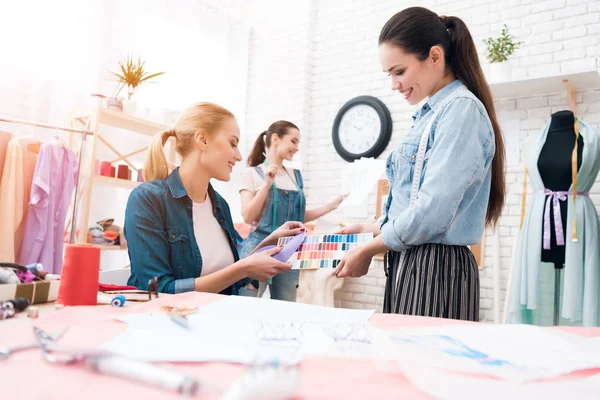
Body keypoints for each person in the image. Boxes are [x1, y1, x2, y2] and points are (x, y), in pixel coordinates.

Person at [333, 7, 506, 322]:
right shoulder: (432, 115)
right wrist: (372, 230)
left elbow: (433, 211)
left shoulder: (461, 111)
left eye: (399, 72)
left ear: (435, 57)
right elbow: (415, 206)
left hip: (436, 269)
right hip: (415, 263)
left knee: (425, 366)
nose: (394, 85)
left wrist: (369, 248)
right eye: (390, 75)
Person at [124, 103, 305, 295]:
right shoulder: (148, 199)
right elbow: (157, 290)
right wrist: (242, 269)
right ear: (202, 140)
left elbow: (228, 280)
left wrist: (266, 245)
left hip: (216, 318)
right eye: (233, 143)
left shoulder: (219, 205)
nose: (238, 155)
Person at [239, 121, 346, 301]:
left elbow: (296, 218)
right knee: (247, 305)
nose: (296, 147)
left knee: (285, 307)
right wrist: (266, 185)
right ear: (275, 139)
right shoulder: (252, 173)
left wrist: (331, 206)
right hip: (259, 247)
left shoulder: (296, 176)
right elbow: (248, 217)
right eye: (293, 141)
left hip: (290, 251)